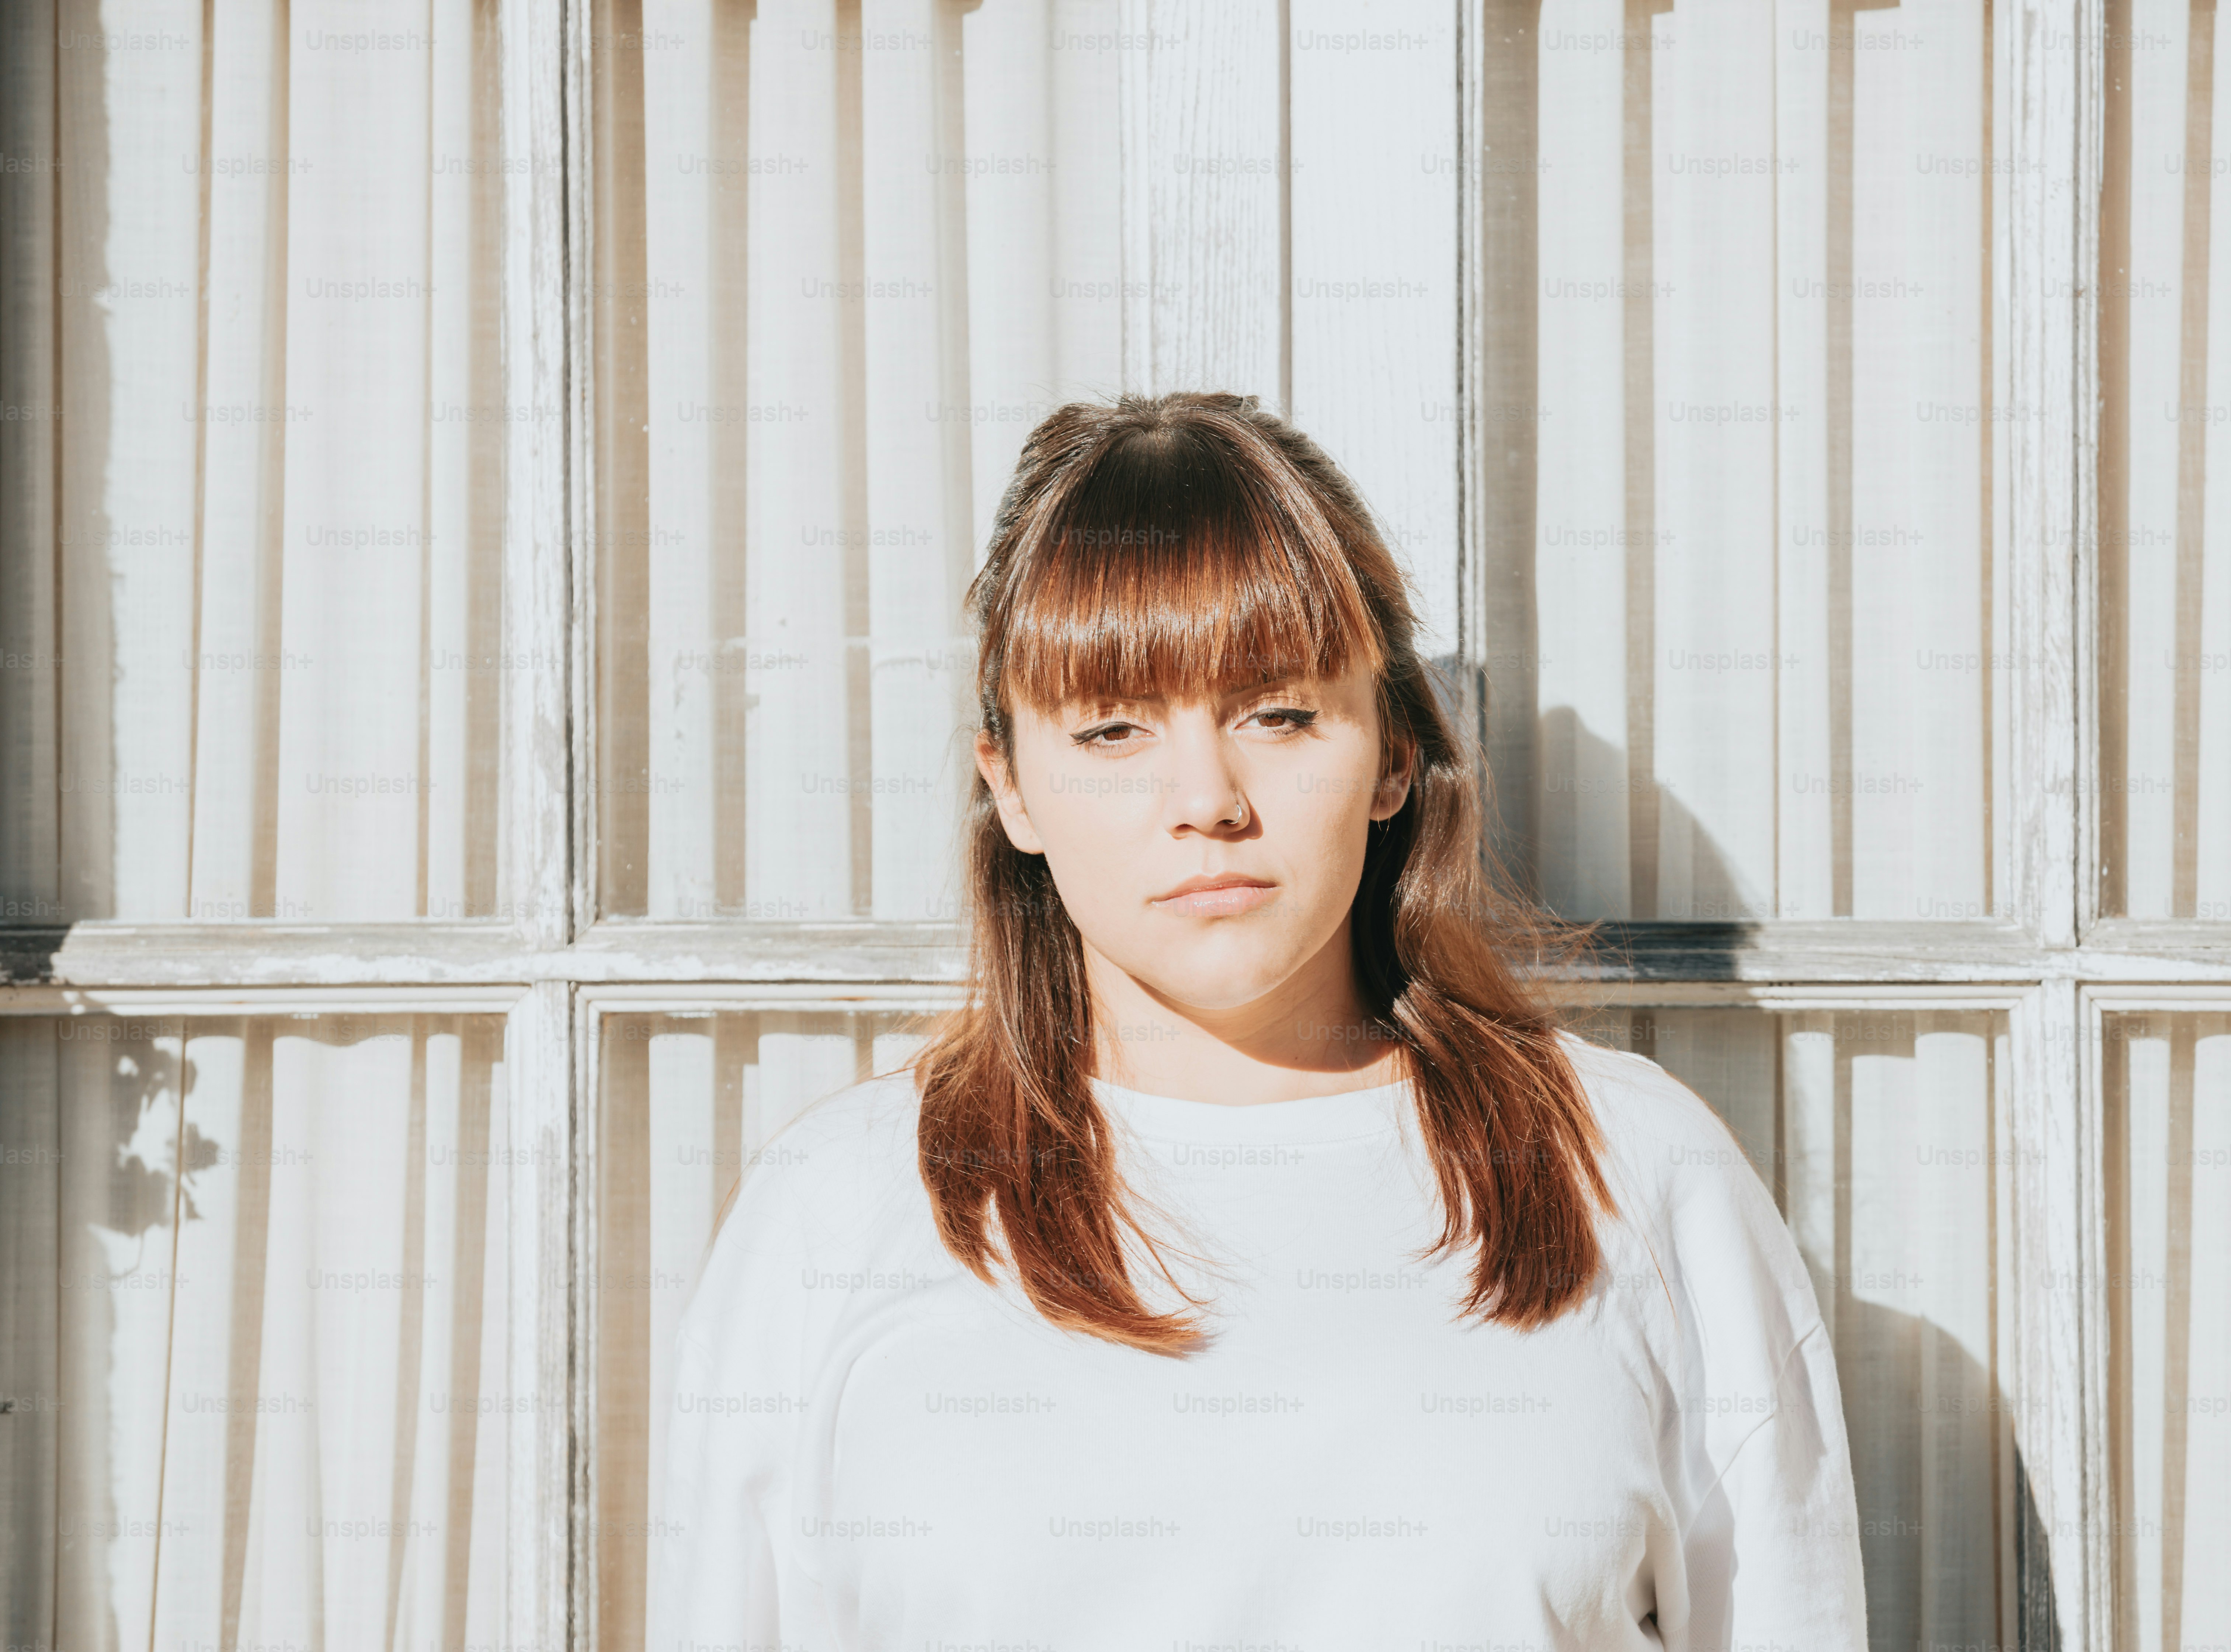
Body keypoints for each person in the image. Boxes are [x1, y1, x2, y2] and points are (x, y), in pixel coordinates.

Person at [646, 391, 1867, 1650]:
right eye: (1113, 729)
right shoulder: (834, 1211)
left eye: (1277, 714)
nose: (1207, 799)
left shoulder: (1638, 1172)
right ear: (1010, 789)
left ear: (1394, 755)